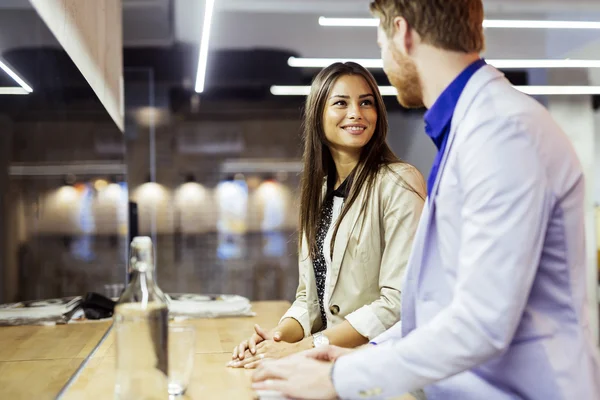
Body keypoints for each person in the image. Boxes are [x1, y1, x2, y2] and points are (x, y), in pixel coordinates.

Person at [251, 0, 600, 398]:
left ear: (402, 32)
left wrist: (339, 379)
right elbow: (437, 308)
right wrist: (344, 358)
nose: (383, 57)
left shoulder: (502, 132)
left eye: (381, 42)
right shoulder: (470, 131)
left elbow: (480, 324)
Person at [228, 62, 426, 369]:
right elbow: (310, 298)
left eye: (366, 102)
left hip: (378, 366)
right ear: (318, 115)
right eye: (341, 103)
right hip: (326, 364)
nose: (356, 113)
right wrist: (277, 339)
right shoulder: (318, 192)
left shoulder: (398, 182)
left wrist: (308, 347)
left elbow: (397, 303)